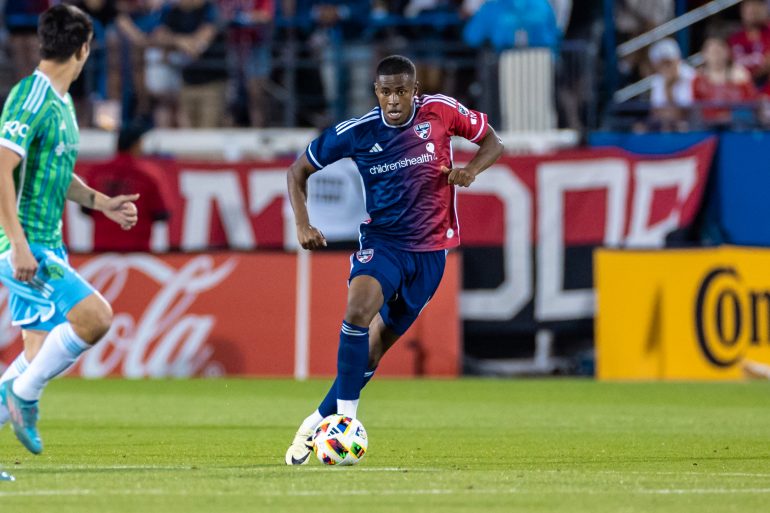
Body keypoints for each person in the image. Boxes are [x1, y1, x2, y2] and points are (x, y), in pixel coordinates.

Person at [284, 55, 503, 465]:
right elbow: (297, 172)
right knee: (358, 310)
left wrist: (471, 170)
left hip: (431, 254)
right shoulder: (357, 132)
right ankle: (346, 422)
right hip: (383, 244)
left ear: (414, 90)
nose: (394, 100)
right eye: (386, 92)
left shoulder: (441, 112)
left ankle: (316, 421)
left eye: (402, 91)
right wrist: (302, 224)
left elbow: (494, 142)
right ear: (376, 93)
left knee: (373, 352)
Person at [0, 4, 139, 455]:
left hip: (46, 244)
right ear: (84, 48)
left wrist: (102, 203)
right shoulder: (32, 97)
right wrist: (19, 245)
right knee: (95, 317)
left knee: (36, 356)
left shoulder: (61, 103)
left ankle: (20, 389)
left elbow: (56, 172)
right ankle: (24, 395)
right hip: (22, 244)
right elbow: (1, 170)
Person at [79, 125, 172, 252]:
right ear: (137, 144)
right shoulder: (148, 173)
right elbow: (162, 213)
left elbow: (85, 209)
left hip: (101, 250)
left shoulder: (96, 172)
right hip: (138, 250)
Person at [692, 37, 757, 126]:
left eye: (719, 51)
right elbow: (695, 109)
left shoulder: (741, 75)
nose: (716, 56)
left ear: (727, 52)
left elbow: (752, 105)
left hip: (737, 126)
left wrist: (731, 117)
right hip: (707, 126)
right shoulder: (698, 79)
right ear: (704, 54)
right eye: (712, 52)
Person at [648, 38, 695, 131]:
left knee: (681, 127)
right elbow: (655, 113)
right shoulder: (658, 80)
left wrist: (668, 89)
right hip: (665, 125)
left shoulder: (690, 75)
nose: (666, 67)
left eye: (669, 63)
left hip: (690, 125)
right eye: (662, 64)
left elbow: (682, 115)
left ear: (677, 59)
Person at [728, 0, 770, 87]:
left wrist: (749, 77)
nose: (752, 13)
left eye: (755, 10)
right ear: (742, 12)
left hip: (764, 84)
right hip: (740, 86)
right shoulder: (734, 38)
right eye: (749, 10)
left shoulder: (768, 32)